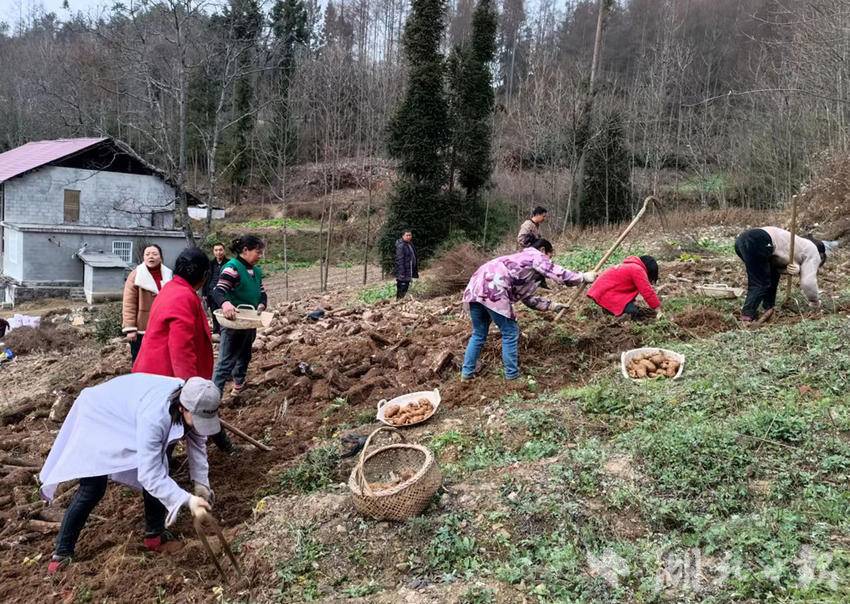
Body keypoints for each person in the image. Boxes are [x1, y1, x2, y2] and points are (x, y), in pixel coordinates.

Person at [39, 375, 219, 574]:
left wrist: (201, 482)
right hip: (98, 416)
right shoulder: (155, 417)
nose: (200, 424)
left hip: (129, 410)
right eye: (198, 419)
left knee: (161, 466)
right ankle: (61, 554)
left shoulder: (195, 400)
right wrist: (187, 500)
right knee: (93, 487)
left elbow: (197, 443)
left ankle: (155, 535)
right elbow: (150, 473)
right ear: (182, 408)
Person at [461, 238, 595, 381]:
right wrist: (582, 277)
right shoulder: (535, 255)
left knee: (479, 334)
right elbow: (555, 272)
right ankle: (512, 376)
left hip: (474, 289)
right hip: (495, 289)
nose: (549, 260)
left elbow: (527, 298)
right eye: (550, 256)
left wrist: (551, 305)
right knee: (510, 332)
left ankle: (467, 373)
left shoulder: (521, 264)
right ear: (543, 250)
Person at [133, 247, 214, 382]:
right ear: (204, 275)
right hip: (164, 378)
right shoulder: (183, 297)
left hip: (153, 373)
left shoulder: (171, 288)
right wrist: (189, 386)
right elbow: (181, 348)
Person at [734, 227, 837, 323]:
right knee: (760, 283)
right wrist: (814, 302)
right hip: (760, 240)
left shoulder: (799, 243)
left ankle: (768, 308)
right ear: (821, 255)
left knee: (771, 274)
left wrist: (790, 269)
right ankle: (746, 316)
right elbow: (808, 283)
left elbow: (777, 263)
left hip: (741, 241)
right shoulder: (813, 251)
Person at [211, 235, 267, 396]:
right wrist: (226, 304)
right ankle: (213, 398)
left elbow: (262, 293)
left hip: (249, 320)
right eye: (258, 252)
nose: (260, 256)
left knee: (245, 355)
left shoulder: (255, 271)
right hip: (234, 322)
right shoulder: (232, 268)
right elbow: (219, 290)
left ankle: (239, 386)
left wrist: (262, 304)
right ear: (245, 250)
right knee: (225, 362)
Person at [123, 244, 172, 362]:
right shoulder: (136, 275)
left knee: (160, 360)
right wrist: (130, 328)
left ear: (161, 257)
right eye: (147, 254)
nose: (151, 257)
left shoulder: (168, 274)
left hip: (163, 326)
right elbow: (129, 303)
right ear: (143, 257)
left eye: (155, 254)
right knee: (140, 360)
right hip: (142, 328)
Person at [587, 255, 661, 320]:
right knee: (633, 313)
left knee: (632, 308)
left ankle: (608, 312)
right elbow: (647, 291)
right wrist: (657, 309)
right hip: (607, 293)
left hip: (601, 291)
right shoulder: (637, 269)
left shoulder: (629, 266)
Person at [204, 243, 228, 341]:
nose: (218, 252)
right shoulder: (210, 264)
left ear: (224, 251)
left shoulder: (229, 263)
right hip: (211, 292)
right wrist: (204, 294)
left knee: (224, 312)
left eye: (220, 250)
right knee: (214, 312)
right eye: (216, 250)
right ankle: (216, 331)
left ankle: (225, 331)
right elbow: (205, 279)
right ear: (213, 252)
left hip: (224, 293)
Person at [394, 230, 418, 299]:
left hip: (408, 272)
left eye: (410, 235)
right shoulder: (401, 246)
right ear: (403, 236)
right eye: (407, 235)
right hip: (403, 274)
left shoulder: (409, 244)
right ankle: (398, 304)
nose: (408, 237)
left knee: (405, 290)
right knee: (402, 290)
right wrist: (402, 275)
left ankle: (401, 303)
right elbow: (400, 261)